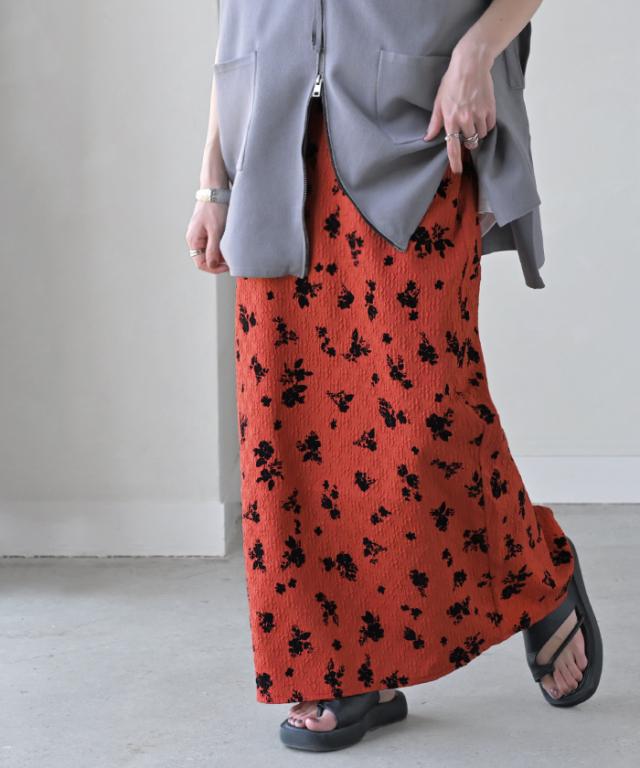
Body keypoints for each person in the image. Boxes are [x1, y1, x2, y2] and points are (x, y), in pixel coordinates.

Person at [185, 0, 603, 752]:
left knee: (426, 408)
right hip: (269, 140)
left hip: (416, 129)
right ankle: (342, 671)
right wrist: (212, 180)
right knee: (289, 429)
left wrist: (478, 54)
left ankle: (533, 569)